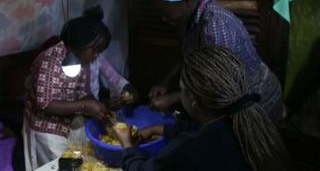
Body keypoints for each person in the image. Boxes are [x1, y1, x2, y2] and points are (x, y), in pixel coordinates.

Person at [113, 46, 293, 171]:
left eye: (182, 90)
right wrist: (159, 129)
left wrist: (128, 146)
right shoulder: (249, 121)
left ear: (193, 100)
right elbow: (204, 131)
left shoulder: (185, 151)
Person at [148, 0, 284, 122]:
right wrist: (166, 81)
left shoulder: (214, 28)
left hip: (256, 101)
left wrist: (172, 98)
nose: (164, 19)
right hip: (226, 95)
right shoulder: (188, 17)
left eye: (167, 14)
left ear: (187, 1)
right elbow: (188, 55)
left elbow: (219, 85)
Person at [22, 6, 133, 170]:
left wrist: (102, 106)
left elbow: (83, 93)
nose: (96, 56)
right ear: (78, 44)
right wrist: (84, 106)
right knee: (54, 165)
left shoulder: (83, 60)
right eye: (94, 50)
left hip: (70, 124)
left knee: (78, 163)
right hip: (47, 129)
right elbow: (45, 104)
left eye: (99, 51)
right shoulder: (51, 61)